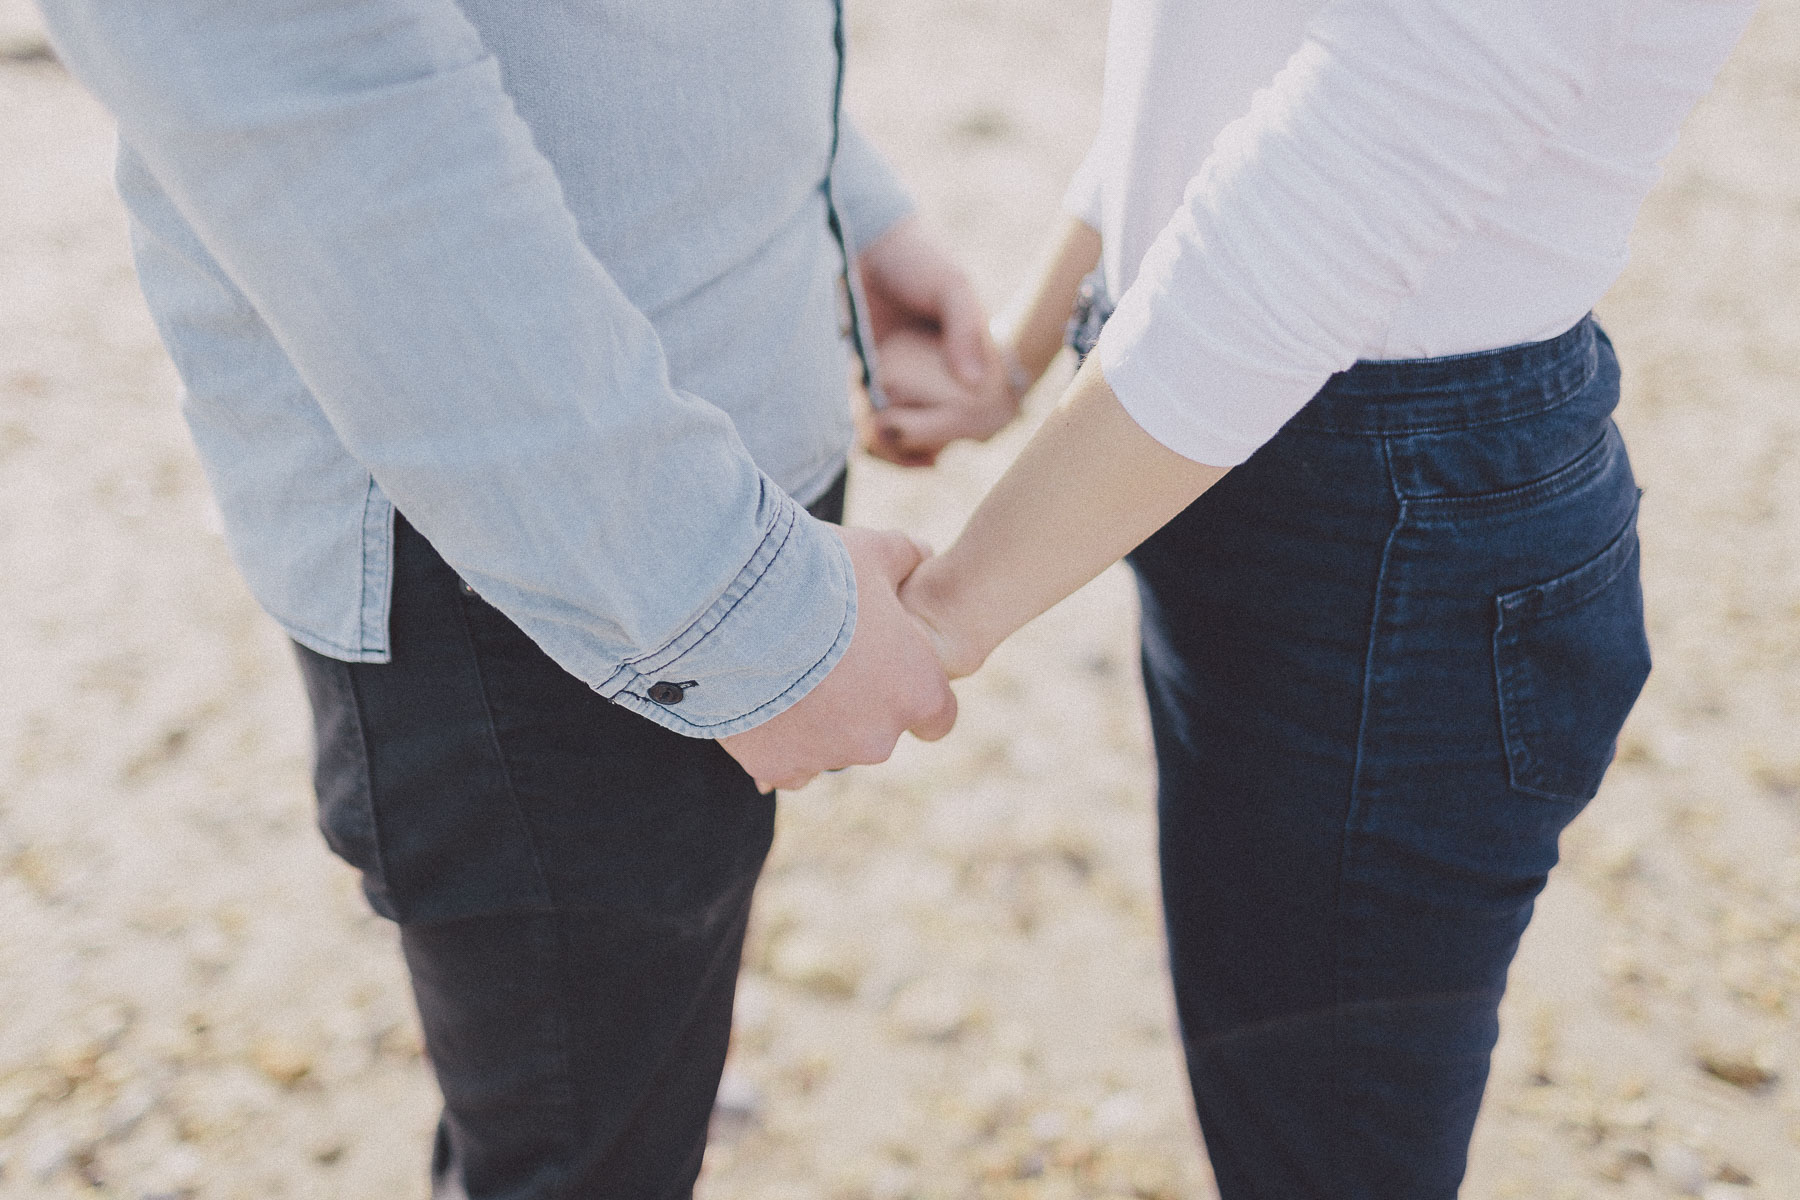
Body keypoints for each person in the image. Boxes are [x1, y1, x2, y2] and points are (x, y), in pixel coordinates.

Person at [32, 0, 1013, 1193]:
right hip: (543, 559)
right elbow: (297, 81)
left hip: (685, 500)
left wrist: (844, 201)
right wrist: (724, 612)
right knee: (578, 1147)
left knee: (630, 1057)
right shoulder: (668, 586)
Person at [890, 0, 1759, 1196]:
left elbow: (1351, 172)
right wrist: (1024, 348)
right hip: (1254, 454)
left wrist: (942, 617)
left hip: (1392, 521)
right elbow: (1227, 60)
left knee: (1324, 1152)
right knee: (1281, 1098)